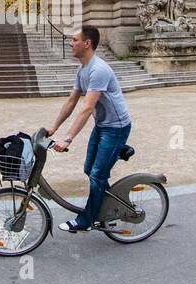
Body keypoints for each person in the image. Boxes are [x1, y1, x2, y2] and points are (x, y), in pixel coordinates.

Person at [45, 24, 132, 234]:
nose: (70, 43)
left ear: (87, 43)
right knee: (90, 170)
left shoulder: (98, 69)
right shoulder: (82, 69)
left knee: (97, 175)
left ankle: (86, 220)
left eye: (74, 40)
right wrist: (52, 128)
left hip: (116, 128)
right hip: (102, 125)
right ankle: (109, 207)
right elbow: (72, 101)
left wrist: (67, 139)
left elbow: (87, 108)